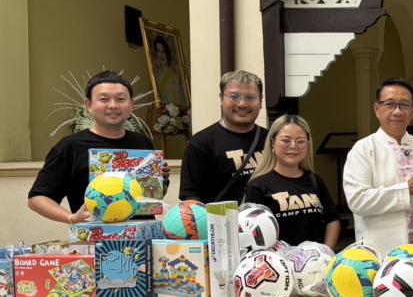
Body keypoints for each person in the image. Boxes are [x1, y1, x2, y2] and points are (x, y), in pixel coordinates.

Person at [28, 71, 157, 224]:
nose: (113, 105)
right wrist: (71, 218)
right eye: (104, 99)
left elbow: (146, 198)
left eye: (121, 99)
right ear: (88, 105)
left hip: (143, 234)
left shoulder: (143, 142)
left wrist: (159, 178)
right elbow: (37, 198)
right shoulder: (70, 146)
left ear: (131, 104)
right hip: (94, 236)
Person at [343, 78, 413, 257]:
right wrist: (407, 190)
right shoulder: (363, 149)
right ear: (377, 109)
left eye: (404, 105)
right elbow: (357, 200)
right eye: (390, 104)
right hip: (381, 254)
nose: (397, 111)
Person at [243, 115, 340, 248]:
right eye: (285, 140)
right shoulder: (257, 186)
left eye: (300, 141)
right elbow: (252, 232)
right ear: (272, 143)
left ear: (308, 145)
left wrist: (326, 252)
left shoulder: (314, 180)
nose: (293, 146)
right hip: (277, 260)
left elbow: (332, 220)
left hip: (316, 260)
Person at [179, 70, 268, 204]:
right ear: (221, 98)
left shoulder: (273, 140)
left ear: (261, 100)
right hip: (220, 217)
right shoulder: (201, 143)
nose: (242, 104)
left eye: (250, 97)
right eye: (234, 97)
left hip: (268, 216)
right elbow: (191, 197)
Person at [151, 37, 187, 106]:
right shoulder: (155, 74)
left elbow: (181, 102)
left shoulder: (176, 75)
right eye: (158, 51)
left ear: (168, 52)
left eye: (163, 51)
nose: (161, 55)